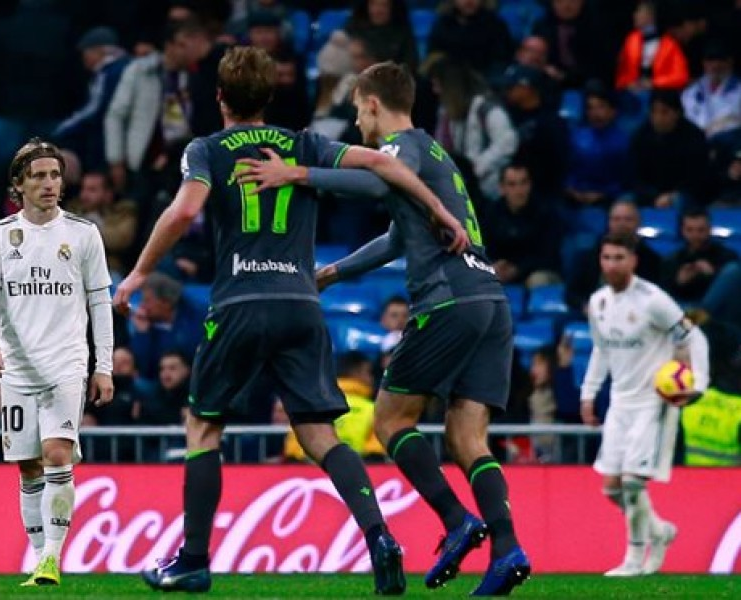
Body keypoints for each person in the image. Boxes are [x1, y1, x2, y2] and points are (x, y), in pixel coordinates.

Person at [113, 46, 468, 596]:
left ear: (220, 97)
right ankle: (379, 537)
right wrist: (440, 210)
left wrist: (138, 273)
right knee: (320, 434)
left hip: (240, 302)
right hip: (301, 303)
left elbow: (184, 210)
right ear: (269, 96)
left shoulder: (206, 149)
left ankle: (193, 560)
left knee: (204, 428)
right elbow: (385, 165)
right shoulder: (304, 144)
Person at [240, 61, 530, 595]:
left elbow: (374, 183)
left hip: (446, 300)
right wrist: (335, 272)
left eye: (357, 110)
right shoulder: (436, 155)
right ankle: (507, 548)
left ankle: (456, 521)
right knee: (468, 438)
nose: (356, 123)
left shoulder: (402, 147)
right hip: (489, 300)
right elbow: (398, 237)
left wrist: (297, 174)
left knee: (391, 418)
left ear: (373, 103)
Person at [0, 138, 114, 586]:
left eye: (55, 175)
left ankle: (52, 557)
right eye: (38, 176)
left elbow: (100, 303)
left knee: (57, 454)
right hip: (16, 368)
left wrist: (104, 365)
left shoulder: (83, 233)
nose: (49, 183)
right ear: (19, 183)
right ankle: (39, 559)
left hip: (66, 362)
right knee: (28, 466)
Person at [580, 233, 709, 576]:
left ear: (633, 261)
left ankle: (634, 559)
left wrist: (699, 383)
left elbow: (693, 335)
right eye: (606, 257)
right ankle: (660, 531)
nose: (612, 265)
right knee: (612, 489)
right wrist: (588, 394)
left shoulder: (653, 300)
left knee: (633, 484)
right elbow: (600, 350)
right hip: (619, 404)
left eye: (619, 258)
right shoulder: (598, 303)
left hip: (653, 403)